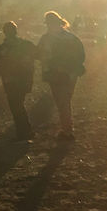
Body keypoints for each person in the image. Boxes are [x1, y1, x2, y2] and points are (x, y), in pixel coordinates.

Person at [37, 10, 85, 140]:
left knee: (62, 101)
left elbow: (39, 54)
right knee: (65, 100)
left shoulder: (46, 39)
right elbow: (81, 55)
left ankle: (67, 130)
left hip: (56, 74)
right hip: (71, 74)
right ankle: (67, 128)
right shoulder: (72, 38)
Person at [0, 21, 36, 141]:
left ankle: (24, 131)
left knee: (16, 105)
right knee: (18, 104)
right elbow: (36, 56)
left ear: (4, 33)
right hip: (24, 80)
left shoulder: (1, 49)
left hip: (10, 81)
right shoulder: (26, 44)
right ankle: (25, 130)